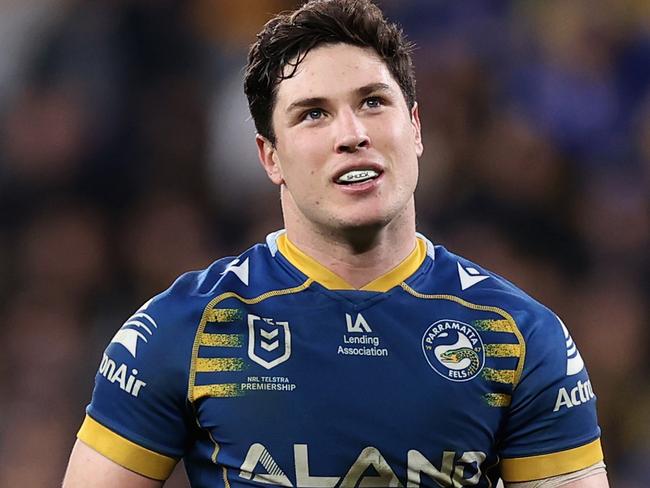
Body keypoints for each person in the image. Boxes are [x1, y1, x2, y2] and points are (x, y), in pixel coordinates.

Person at [63, 0, 609, 486]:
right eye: (313, 114)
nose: (352, 134)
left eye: (373, 102)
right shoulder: (183, 328)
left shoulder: (519, 335)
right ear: (269, 156)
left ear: (415, 128)